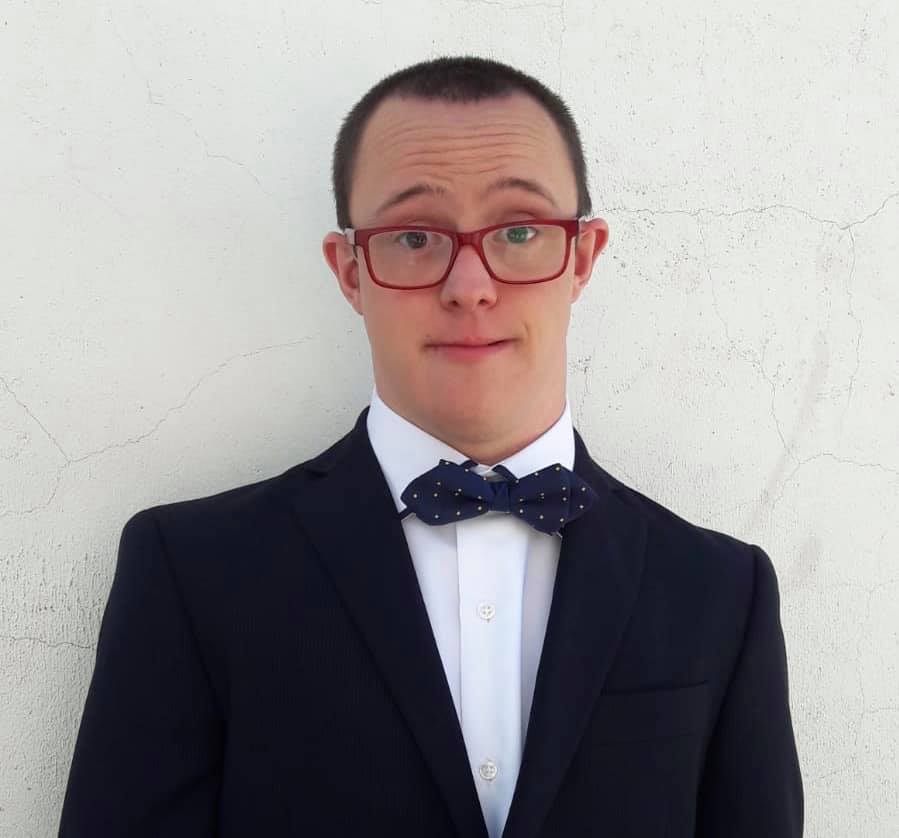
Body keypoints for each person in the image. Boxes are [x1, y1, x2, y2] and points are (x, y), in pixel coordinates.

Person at [57, 55, 804, 838]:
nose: (469, 286)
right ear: (350, 270)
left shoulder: (722, 592)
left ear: (581, 257)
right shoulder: (192, 573)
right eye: (414, 236)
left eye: (519, 231)